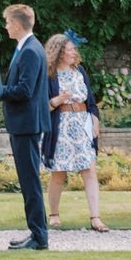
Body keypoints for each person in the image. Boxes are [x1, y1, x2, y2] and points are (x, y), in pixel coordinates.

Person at [0, 4, 52, 250]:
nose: (6, 26)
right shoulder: (28, 47)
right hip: (26, 123)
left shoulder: (30, 50)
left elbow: (24, 90)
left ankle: (39, 236)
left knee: (30, 181)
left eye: (8, 22)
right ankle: (36, 232)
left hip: (26, 124)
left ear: (18, 24)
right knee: (28, 179)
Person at [43, 34, 108, 232]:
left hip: (82, 125)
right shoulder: (49, 75)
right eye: (70, 49)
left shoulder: (79, 71)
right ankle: (53, 214)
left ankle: (95, 218)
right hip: (60, 126)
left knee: (89, 171)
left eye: (73, 49)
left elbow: (91, 102)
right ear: (59, 52)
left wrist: (95, 120)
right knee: (58, 174)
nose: (74, 53)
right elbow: (42, 107)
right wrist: (58, 100)